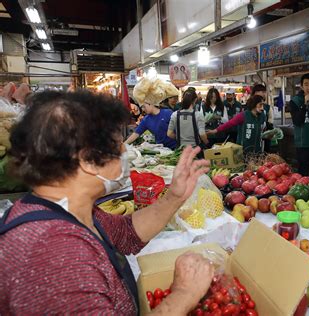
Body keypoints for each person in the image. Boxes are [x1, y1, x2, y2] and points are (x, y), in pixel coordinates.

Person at [0, 90, 214, 314]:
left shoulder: (72, 210)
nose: (125, 151)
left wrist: (175, 197)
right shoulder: (54, 255)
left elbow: (126, 233)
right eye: (118, 145)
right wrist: (185, 294)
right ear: (87, 161)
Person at [252, 84, 276, 152]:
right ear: (255, 93)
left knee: (265, 153)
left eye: (264, 92)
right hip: (252, 136)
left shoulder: (268, 107)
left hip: (264, 137)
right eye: (262, 92)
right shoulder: (248, 106)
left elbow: (270, 122)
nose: (264, 94)